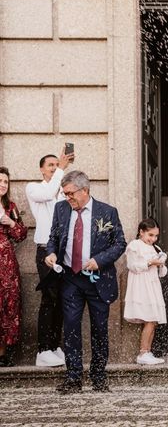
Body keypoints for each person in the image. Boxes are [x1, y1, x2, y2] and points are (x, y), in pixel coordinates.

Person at [44, 170, 126, 394]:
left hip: (98, 280)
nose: (67, 198)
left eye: (70, 194)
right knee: (71, 327)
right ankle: (73, 379)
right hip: (70, 278)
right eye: (65, 193)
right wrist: (51, 253)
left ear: (85, 190)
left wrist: (99, 260)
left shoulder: (107, 212)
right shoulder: (61, 209)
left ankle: (99, 378)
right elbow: (53, 237)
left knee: (99, 330)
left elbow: (119, 244)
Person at [26, 150, 73, 367]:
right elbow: (47, 193)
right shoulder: (34, 188)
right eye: (50, 165)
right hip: (46, 251)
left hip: (63, 252)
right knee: (49, 298)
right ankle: (42, 350)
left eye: (57, 164)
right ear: (41, 169)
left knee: (62, 299)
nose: (55, 167)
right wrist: (63, 168)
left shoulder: (62, 191)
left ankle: (55, 346)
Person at [123, 218, 168, 365]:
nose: (153, 239)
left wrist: (161, 264)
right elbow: (132, 265)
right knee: (149, 318)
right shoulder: (135, 246)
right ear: (141, 232)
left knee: (153, 319)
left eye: (156, 236)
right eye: (150, 235)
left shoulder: (157, 248)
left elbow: (162, 274)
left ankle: (148, 351)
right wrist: (150, 262)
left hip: (153, 285)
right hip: (141, 285)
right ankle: (143, 353)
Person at [0, 167, 28, 367]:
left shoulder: (10, 206)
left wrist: (9, 222)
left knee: (8, 304)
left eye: (6, 182)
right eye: (0, 181)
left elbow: (21, 234)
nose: (2, 184)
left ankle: (3, 353)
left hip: (5, 262)